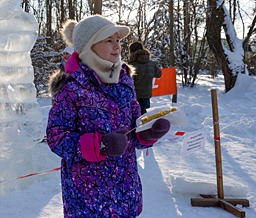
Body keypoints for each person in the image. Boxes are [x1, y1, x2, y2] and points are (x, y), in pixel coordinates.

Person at [47, 15, 170, 217]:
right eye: (108, 40)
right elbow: (56, 137)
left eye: (118, 41)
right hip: (88, 198)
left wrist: (146, 133)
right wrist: (99, 145)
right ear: (89, 46)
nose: (117, 47)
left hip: (125, 191)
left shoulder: (124, 81)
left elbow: (133, 129)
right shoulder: (72, 87)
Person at [128, 41, 162, 115]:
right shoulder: (151, 64)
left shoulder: (131, 65)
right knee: (145, 116)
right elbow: (159, 74)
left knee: (134, 117)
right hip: (146, 95)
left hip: (133, 96)